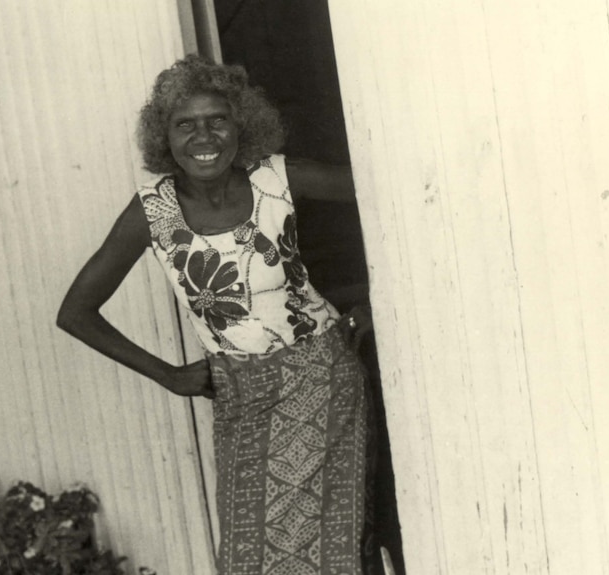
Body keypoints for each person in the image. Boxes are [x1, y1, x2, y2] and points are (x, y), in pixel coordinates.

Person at [57, 54, 377, 574]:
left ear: (240, 126)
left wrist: (368, 298)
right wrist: (168, 374)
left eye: (217, 120)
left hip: (321, 378)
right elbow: (76, 311)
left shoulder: (277, 179)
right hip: (239, 395)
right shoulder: (153, 210)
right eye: (186, 124)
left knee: (330, 541)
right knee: (247, 555)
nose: (203, 136)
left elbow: (393, 191)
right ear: (165, 136)